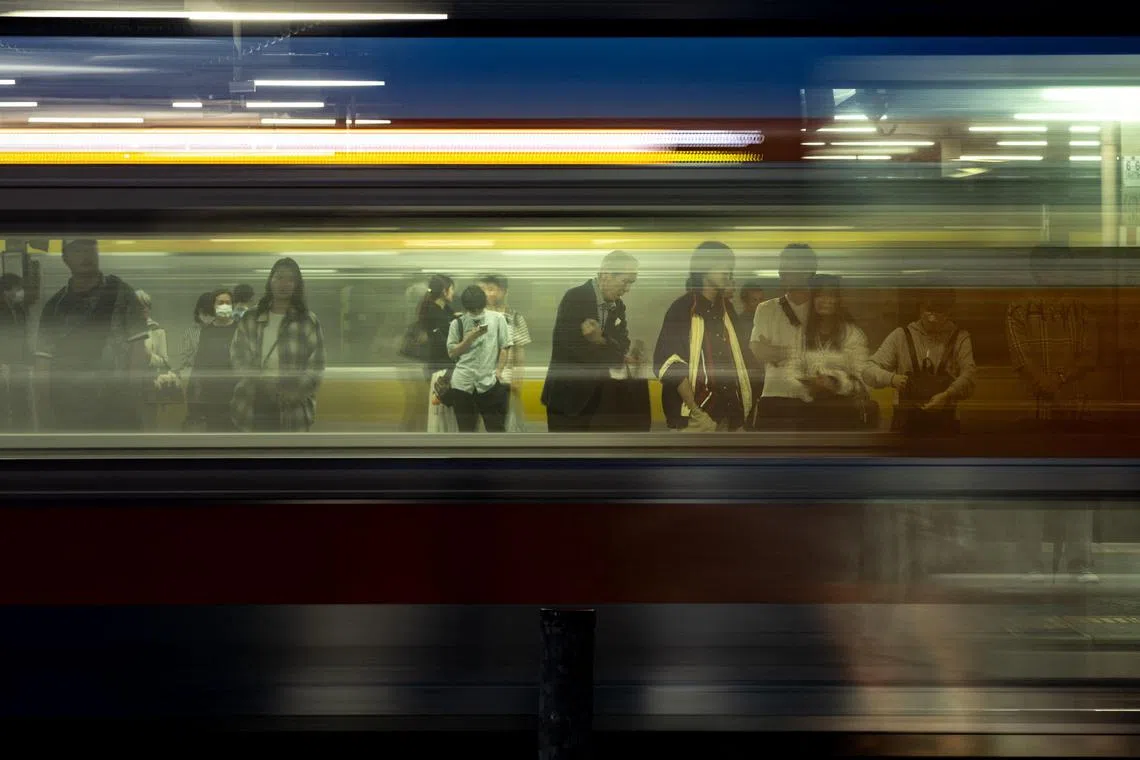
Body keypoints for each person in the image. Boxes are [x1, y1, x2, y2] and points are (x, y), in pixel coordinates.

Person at [1006, 244, 1098, 583]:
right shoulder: (1018, 308)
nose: (1058, 274)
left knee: (1077, 487)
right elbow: (1019, 356)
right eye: (1052, 267)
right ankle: (1032, 561)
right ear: (1037, 271)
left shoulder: (1082, 307)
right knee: (1034, 489)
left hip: (1066, 406)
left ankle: (1078, 562)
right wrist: (1053, 382)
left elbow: (1090, 354)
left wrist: (1053, 381)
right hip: (1042, 409)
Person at [34, 238, 149, 432]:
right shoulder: (55, 306)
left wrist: (133, 397)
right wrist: (44, 413)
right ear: (65, 258)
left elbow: (138, 352)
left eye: (90, 248)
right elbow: (43, 365)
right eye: (78, 250)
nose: (86, 255)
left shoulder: (121, 293)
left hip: (118, 407)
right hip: (69, 408)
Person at [654, 242, 752, 432]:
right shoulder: (682, 309)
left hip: (730, 415)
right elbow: (668, 362)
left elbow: (741, 359)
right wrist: (697, 412)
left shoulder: (728, 311)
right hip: (696, 418)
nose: (728, 272)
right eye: (722, 265)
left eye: (730, 267)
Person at [542, 250, 641, 432]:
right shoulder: (575, 298)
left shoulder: (618, 307)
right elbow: (571, 347)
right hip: (568, 401)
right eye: (625, 282)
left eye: (631, 283)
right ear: (605, 274)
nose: (627, 289)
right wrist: (611, 351)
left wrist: (600, 340)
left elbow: (623, 345)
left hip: (601, 403)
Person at [863, 286, 976, 435]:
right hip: (905, 424)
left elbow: (970, 377)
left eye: (939, 311)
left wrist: (948, 394)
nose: (932, 318)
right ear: (920, 308)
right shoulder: (901, 336)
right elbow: (868, 371)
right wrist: (892, 379)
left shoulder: (960, 338)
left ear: (949, 311)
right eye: (928, 310)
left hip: (945, 423)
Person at [230, 257, 326, 432]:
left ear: (297, 285)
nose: (284, 283)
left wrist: (295, 393)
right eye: (279, 277)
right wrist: (257, 382)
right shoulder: (251, 317)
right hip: (252, 404)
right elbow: (238, 355)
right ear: (270, 281)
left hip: (293, 409)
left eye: (291, 279)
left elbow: (316, 366)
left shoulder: (307, 321)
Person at [749, 243, 818, 429]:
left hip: (812, 402)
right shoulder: (766, 309)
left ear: (808, 271)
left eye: (788, 265)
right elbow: (759, 352)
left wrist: (778, 353)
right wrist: (803, 355)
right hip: (773, 399)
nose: (781, 271)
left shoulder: (821, 310)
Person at [794, 274, 872, 430]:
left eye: (830, 296)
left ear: (838, 301)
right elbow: (792, 370)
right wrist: (809, 385)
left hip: (843, 413)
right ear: (813, 300)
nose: (825, 301)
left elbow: (865, 381)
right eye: (819, 295)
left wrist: (835, 383)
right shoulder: (801, 333)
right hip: (807, 413)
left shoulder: (852, 334)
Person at [446, 285, 513, 433]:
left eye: (478, 309)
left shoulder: (498, 319)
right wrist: (469, 338)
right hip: (463, 385)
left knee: (496, 429)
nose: (476, 313)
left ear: (484, 304)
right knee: (466, 431)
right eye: (472, 310)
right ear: (466, 308)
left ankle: (496, 457)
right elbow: (452, 353)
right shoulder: (457, 324)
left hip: (489, 383)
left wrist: (499, 371)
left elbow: (505, 346)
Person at [179, 288, 240, 432]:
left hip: (236, 392)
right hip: (211, 393)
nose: (224, 305)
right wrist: (192, 393)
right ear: (213, 306)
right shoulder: (207, 331)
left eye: (228, 302)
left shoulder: (240, 329)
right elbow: (200, 362)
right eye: (220, 302)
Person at [478, 273, 532, 432]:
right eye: (483, 289)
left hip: (506, 381)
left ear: (503, 292)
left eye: (491, 289)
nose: (487, 293)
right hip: (481, 380)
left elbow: (519, 350)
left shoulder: (515, 318)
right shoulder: (476, 317)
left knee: (506, 427)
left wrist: (518, 377)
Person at [0, 273, 30, 429]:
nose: (21, 292)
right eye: (18, 289)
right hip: (3, 363)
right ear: (6, 291)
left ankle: (21, 427)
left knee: (19, 396)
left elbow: (24, 335)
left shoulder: (20, 310)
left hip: (18, 361)